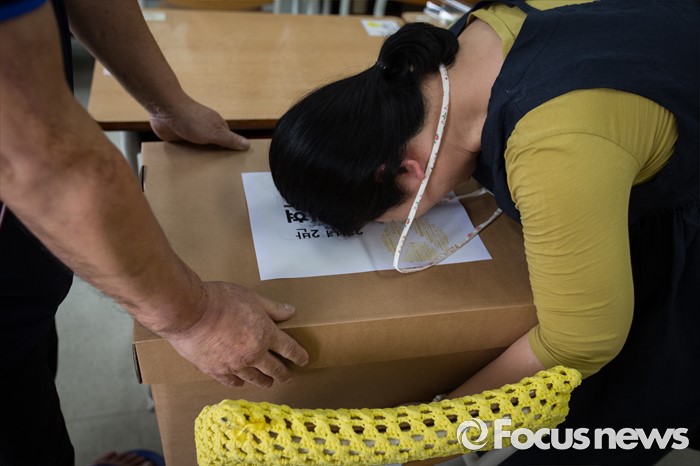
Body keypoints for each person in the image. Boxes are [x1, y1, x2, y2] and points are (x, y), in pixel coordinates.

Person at [269, 0, 699, 464]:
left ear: (406, 172)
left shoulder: (553, 149)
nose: (392, 226)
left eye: (384, 221)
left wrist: (421, 441)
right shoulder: (459, 45)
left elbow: (580, 343)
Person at [0, 1, 309, 465]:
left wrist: (169, 104)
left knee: (32, 371)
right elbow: (37, 160)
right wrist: (196, 317)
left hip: (20, 268)